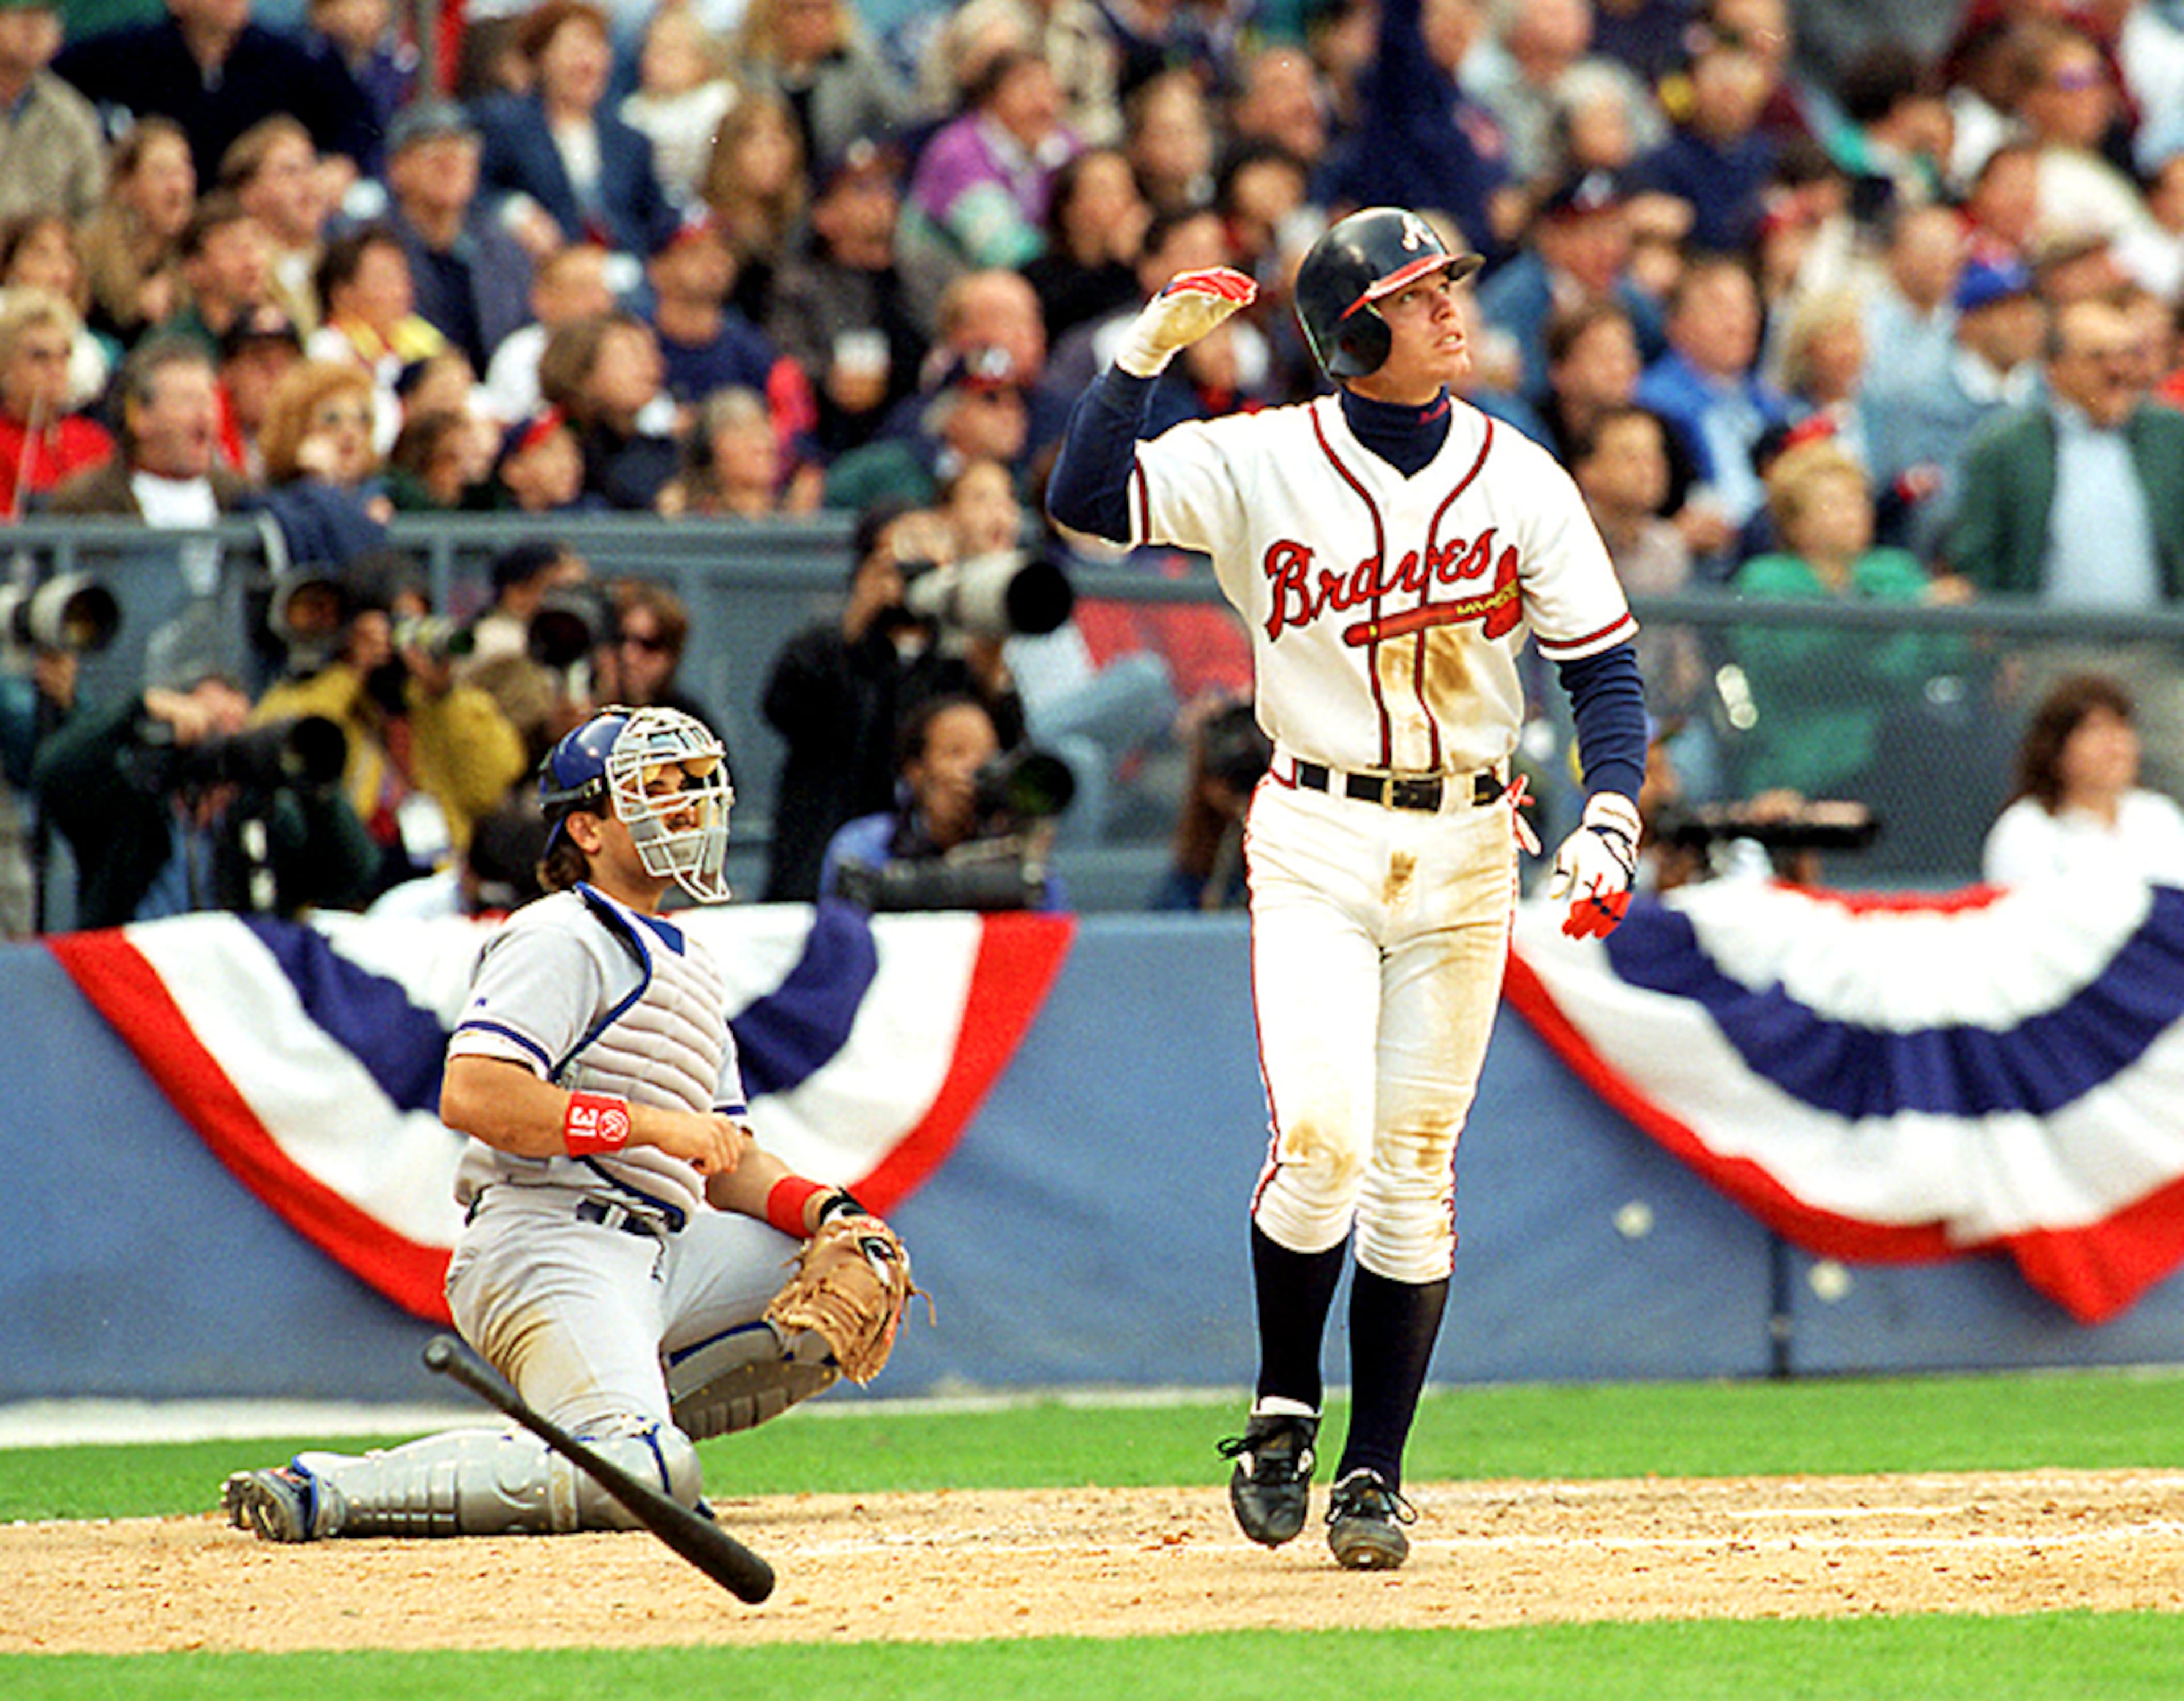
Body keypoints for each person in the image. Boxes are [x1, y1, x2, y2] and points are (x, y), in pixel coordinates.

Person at [1044, 207, 1647, 1570]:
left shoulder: (1520, 475)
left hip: (1468, 842)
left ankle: (1373, 1470)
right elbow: (1088, 505)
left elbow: (1603, 672)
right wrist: (1139, 358)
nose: (1451, 310)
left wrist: (1607, 815)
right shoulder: (1261, 458)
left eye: (1448, 289)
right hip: (1315, 825)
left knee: (1413, 1170)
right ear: (1352, 328)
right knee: (1316, 1136)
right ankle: (1278, 1403)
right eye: (1420, 293)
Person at [222, 704, 919, 1542]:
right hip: (549, 1240)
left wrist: (829, 1208)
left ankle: (609, 1435)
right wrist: (653, 1126)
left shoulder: (691, 958)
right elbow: (478, 1094)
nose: (685, 808)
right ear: (586, 827)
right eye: (654, 791)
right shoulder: (561, 930)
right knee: (644, 1477)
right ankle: (329, 1489)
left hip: (662, 1249)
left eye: (693, 788)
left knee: (853, 1277)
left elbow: (726, 1162)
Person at [760, 498, 1024, 902]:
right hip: (819, 867)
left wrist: (989, 660)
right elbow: (784, 707)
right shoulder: (824, 648)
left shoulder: (957, 661)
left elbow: (1005, 742)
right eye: (901, 559)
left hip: (933, 876)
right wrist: (858, 618)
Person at [820, 690, 1067, 912]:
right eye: (956, 753)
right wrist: (939, 833)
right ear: (915, 770)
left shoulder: (1015, 853)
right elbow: (844, 926)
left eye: (988, 755)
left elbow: (1050, 932)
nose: (974, 769)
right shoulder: (866, 843)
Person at [1983, 673, 2184, 887]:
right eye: (2095, 730)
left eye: (2122, 729)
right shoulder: (2024, 829)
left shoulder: (2160, 816)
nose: (2115, 746)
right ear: (2057, 749)